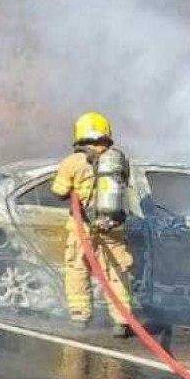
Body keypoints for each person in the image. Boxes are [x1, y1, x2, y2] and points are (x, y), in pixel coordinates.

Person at [51, 112, 134, 338]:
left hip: (83, 228)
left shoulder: (72, 162)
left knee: (78, 270)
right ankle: (121, 322)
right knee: (116, 272)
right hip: (113, 226)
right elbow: (125, 186)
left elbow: (58, 192)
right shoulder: (118, 160)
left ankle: (80, 317)